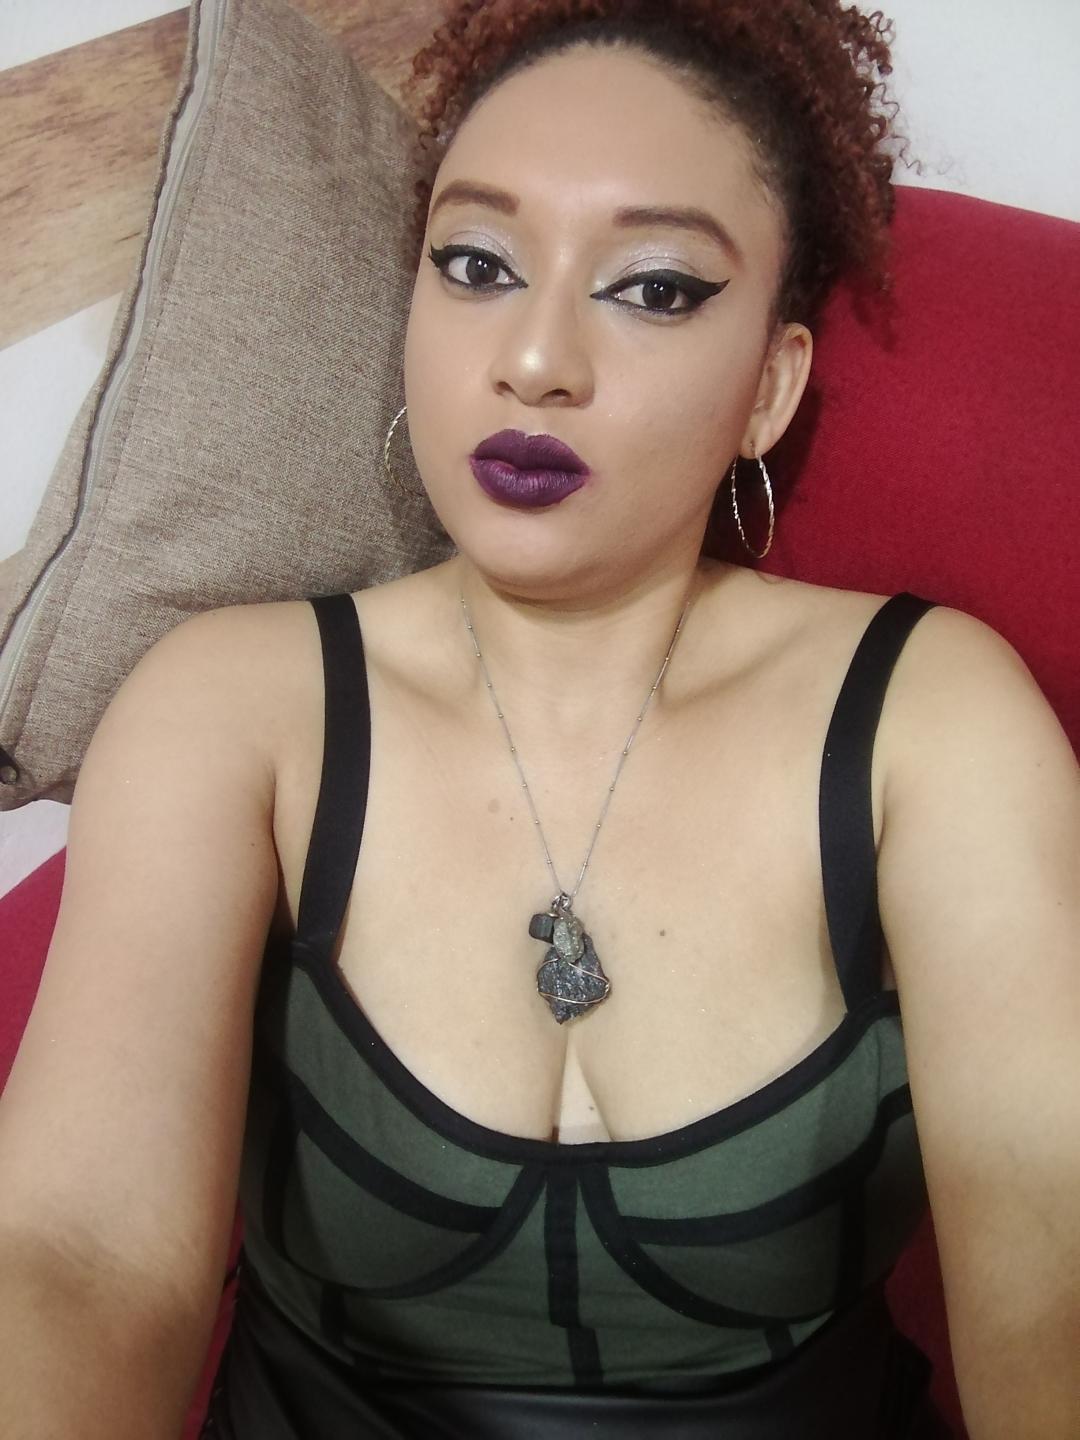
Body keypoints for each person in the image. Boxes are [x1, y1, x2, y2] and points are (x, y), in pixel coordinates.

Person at [1, 2, 1077, 1438]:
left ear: (770, 386)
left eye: (654, 288)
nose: (534, 359)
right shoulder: (231, 707)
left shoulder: (929, 722)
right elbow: (80, 1255)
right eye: (477, 265)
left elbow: (1051, 1257)